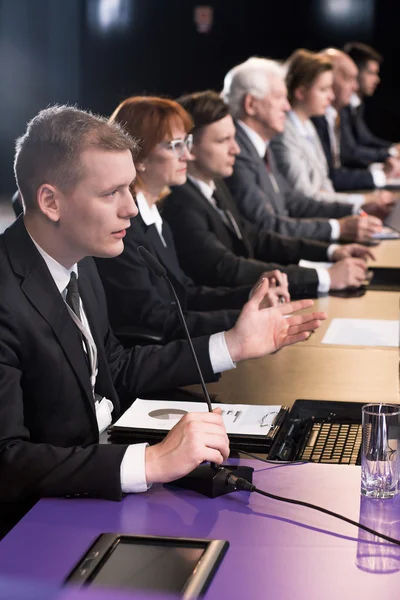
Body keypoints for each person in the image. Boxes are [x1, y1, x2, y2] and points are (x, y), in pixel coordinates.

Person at [0, 105, 325, 536]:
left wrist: (232, 344)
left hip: (94, 489)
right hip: (34, 528)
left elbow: (113, 366)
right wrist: (150, 461)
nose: (131, 209)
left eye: (129, 188)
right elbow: (8, 461)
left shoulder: (79, 258)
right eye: (110, 192)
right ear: (50, 201)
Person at [96, 96, 289, 344]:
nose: (187, 154)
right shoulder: (123, 228)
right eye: (175, 146)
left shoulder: (156, 217)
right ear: (139, 157)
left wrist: (251, 297)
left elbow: (184, 293)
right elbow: (150, 318)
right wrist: (241, 318)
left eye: (185, 142)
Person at [161, 90, 375, 298]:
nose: (235, 149)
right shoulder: (180, 202)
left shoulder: (213, 181)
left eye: (234, 138)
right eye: (222, 140)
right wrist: (324, 277)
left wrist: (330, 252)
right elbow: (226, 268)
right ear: (190, 148)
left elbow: (254, 238)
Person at [221, 57, 386, 240]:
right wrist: (338, 228)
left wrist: (355, 209)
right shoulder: (237, 152)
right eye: (278, 98)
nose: (287, 106)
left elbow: (294, 201)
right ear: (251, 104)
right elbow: (267, 225)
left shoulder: (258, 145)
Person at [270, 49, 394, 214]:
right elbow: (305, 197)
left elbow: (325, 184)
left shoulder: (308, 126)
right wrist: (361, 202)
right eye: (323, 89)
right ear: (300, 92)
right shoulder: (284, 133)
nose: (330, 96)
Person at [312, 48, 400, 189]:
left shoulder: (335, 113)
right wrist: (383, 169)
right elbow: (335, 171)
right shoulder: (317, 118)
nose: (354, 87)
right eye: (348, 79)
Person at [343, 42, 400, 154]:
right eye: (371, 73)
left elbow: (365, 138)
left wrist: (393, 148)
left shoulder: (357, 103)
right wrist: (390, 152)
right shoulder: (342, 103)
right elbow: (349, 152)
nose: (377, 80)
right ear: (354, 71)